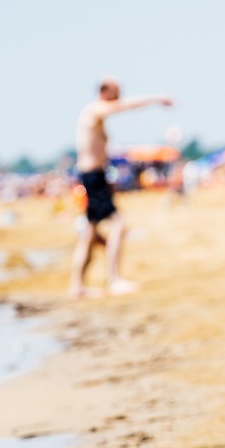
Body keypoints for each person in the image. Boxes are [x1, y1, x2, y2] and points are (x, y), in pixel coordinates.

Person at [69, 77, 174, 298]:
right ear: (106, 91)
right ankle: (114, 279)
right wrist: (156, 99)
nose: (120, 96)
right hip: (92, 177)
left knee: (90, 234)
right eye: (117, 92)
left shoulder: (96, 113)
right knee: (119, 225)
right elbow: (124, 106)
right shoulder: (95, 109)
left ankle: (77, 286)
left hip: (94, 176)